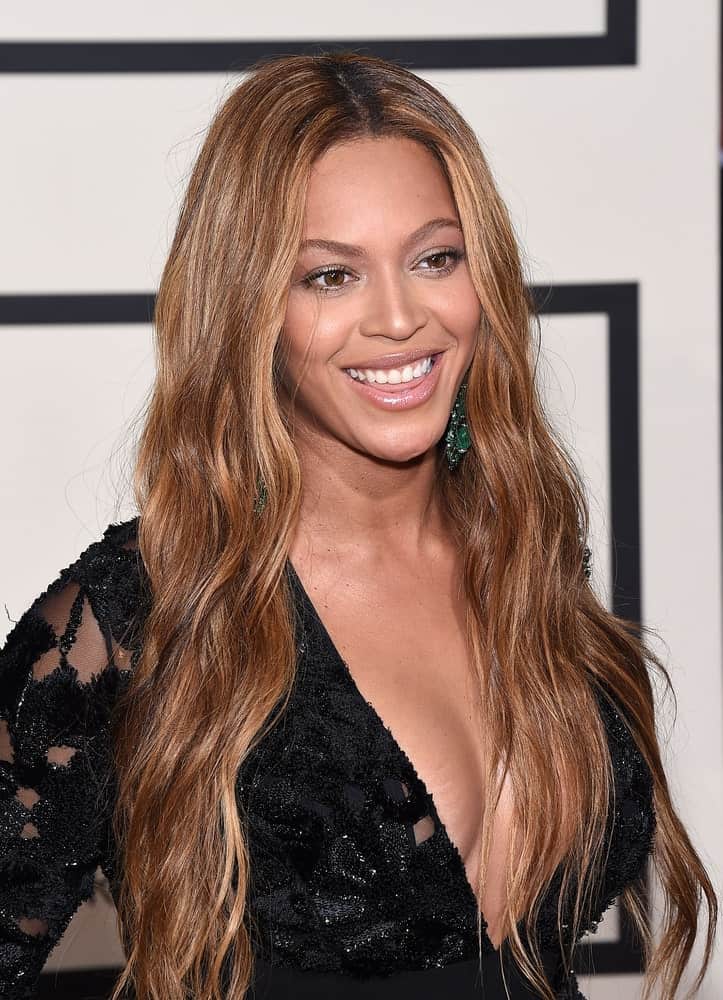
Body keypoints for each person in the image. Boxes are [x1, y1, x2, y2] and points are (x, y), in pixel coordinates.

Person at [0, 51, 716, 1000]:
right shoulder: (141, 612)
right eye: (330, 276)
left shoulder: (527, 553)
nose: (398, 317)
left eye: (434, 258)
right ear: (248, 309)